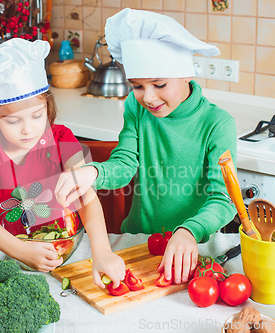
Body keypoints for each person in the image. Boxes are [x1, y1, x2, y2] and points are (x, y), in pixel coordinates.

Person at [55, 8, 238, 286]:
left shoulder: (218, 124)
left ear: (186, 74)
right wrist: (91, 173)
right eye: (138, 86)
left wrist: (189, 231)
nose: (148, 97)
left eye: (159, 84)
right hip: (138, 240)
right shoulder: (135, 107)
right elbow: (125, 164)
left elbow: (223, 199)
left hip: (194, 247)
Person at [0, 38, 125, 282]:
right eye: (13, 121)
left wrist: (102, 252)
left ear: (48, 108)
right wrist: (21, 250)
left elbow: (85, 196)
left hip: (65, 252)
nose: (28, 130)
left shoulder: (62, 140)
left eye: (37, 116)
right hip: (10, 257)